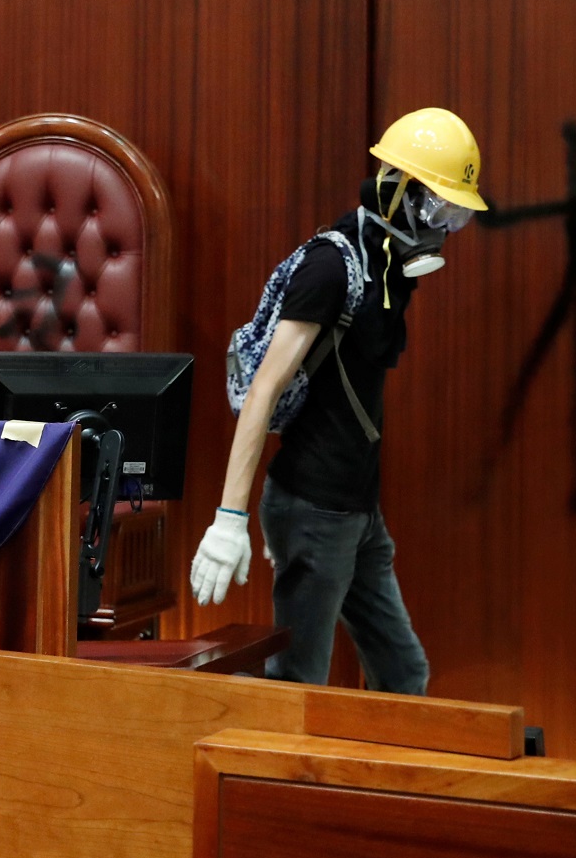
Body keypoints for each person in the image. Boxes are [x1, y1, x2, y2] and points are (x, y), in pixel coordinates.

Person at [188, 108, 487, 693]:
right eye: (437, 209)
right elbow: (263, 391)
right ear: (396, 189)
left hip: (357, 510)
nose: (444, 228)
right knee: (298, 685)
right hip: (313, 507)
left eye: (455, 216)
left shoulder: (392, 264)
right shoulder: (332, 267)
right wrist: (230, 519)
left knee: (404, 674)